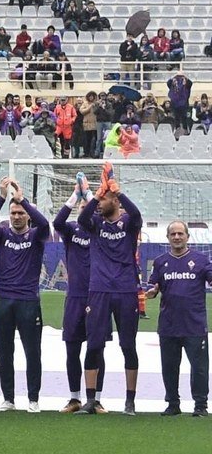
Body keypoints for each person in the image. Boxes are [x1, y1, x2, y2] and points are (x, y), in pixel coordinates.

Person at [76, 172, 144, 413]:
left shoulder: (128, 224)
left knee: (128, 345)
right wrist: (96, 195)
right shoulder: (95, 224)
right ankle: (91, 400)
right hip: (99, 290)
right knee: (94, 344)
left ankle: (130, 401)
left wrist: (119, 192)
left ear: (114, 200)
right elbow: (82, 218)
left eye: (103, 199)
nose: (98, 203)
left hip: (125, 290)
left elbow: (136, 215)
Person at [0, 178, 49, 412]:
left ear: (28, 216)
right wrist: (3, 197)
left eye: (21, 213)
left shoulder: (36, 236)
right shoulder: (2, 235)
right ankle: (8, 399)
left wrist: (23, 200)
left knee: (32, 352)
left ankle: (33, 399)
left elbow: (45, 224)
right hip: (3, 300)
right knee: (4, 351)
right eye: (13, 213)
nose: (17, 216)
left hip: (28, 301)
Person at [144, 219, 210, 416]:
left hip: (194, 325)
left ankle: (200, 406)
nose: (177, 237)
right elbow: (153, 285)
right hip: (169, 325)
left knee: (199, 368)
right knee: (169, 367)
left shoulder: (201, 260)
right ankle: (173, 404)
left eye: (180, 233)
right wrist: (152, 291)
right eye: (173, 234)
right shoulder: (160, 262)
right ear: (168, 237)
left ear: (187, 237)